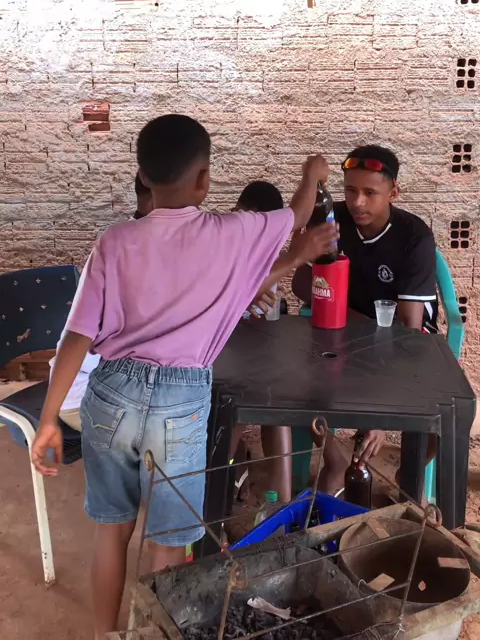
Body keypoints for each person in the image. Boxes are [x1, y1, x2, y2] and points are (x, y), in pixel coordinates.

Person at [32, 114, 336, 640]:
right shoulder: (230, 232)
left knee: (112, 531)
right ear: (204, 180)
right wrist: (312, 173)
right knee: (168, 542)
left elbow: (76, 336)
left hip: (111, 394)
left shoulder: (114, 241)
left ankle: (105, 635)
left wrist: (47, 419)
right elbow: (299, 213)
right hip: (180, 402)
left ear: (143, 178)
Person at [292, 144, 438, 492]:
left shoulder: (414, 236)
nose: (357, 202)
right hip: (346, 331)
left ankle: (410, 473)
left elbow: (408, 328)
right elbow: (300, 281)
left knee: (445, 409)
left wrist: (384, 413)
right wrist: (343, 313)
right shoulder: (332, 219)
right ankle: (334, 460)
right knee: (295, 384)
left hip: (407, 343)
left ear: (393, 192)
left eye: (370, 193)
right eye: (350, 190)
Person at [48, 172, 153, 434]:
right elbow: (78, 337)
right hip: (86, 391)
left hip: (109, 383)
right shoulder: (123, 249)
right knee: (172, 428)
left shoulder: (134, 244)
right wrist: (48, 417)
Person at [230, 181, 292, 505]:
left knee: (276, 403)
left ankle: (281, 503)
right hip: (221, 347)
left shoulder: (269, 254)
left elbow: (262, 310)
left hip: (255, 344)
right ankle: (226, 472)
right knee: (233, 406)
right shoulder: (220, 245)